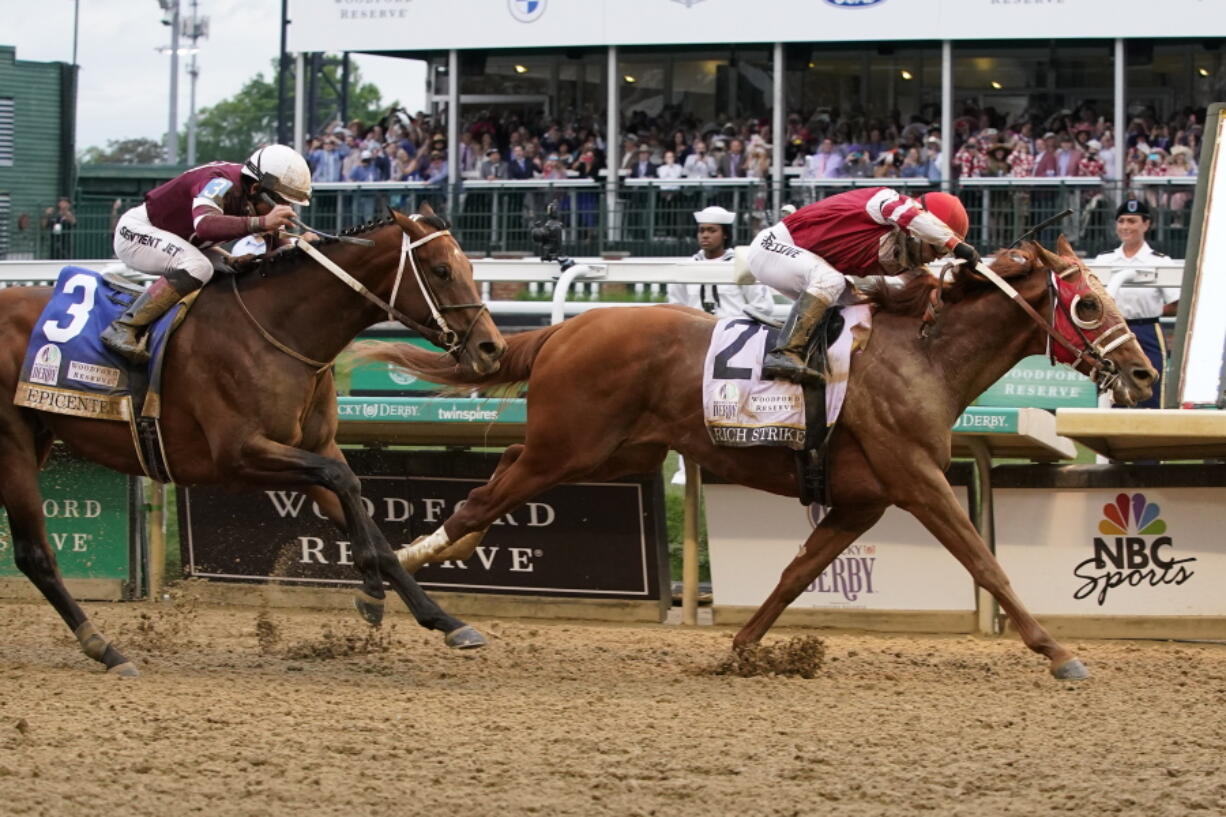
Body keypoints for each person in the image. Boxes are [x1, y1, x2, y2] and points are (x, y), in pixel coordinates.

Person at [101, 144, 308, 363]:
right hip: (137, 232)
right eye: (281, 201)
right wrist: (262, 222)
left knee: (235, 267)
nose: (284, 207)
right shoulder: (220, 181)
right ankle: (124, 327)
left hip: (183, 242)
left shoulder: (253, 194)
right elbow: (205, 225)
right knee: (199, 267)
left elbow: (276, 251)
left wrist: (302, 245)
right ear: (256, 189)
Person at [747, 188, 975, 385]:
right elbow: (911, 216)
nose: (937, 258)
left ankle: (826, 359)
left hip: (800, 259)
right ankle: (785, 353)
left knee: (861, 305)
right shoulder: (887, 202)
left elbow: (924, 283)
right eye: (938, 250)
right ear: (922, 231)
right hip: (772, 247)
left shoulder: (903, 249)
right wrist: (955, 245)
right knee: (830, 281)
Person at [1093, 199, 1178, 409]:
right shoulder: (1104, 260)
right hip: (1111, 333)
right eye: (1121, 221)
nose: (1125, 227)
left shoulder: (1160, 261)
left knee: (1151, 387)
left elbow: (1176, 303)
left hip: (1146, 328)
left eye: (1132, 221)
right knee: (1112, 389)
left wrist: (1151, 311)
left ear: (1146, 224)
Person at [667, 206, 774, 319]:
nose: (705, 235)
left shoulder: (740, 264)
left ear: (725, 234)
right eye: (701, 231)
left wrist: (736, 324)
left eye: (712, 231)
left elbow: (763, 306)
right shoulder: (686, 267)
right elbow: (676, 306)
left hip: (733, 331)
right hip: (694, 331)